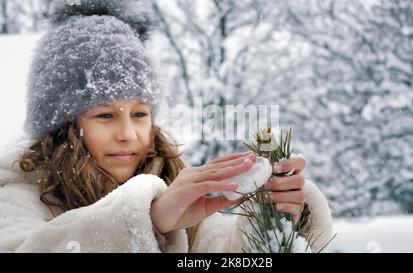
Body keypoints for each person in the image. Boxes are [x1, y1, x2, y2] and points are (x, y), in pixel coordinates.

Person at [0, 0, 333, 253]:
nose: (128, 134)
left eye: (140, 114)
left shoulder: (168, 179)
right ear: (62, 126)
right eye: (105, 115)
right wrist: (148, 218)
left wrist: (278, 215)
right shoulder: (18, 194)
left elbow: (219, 249)